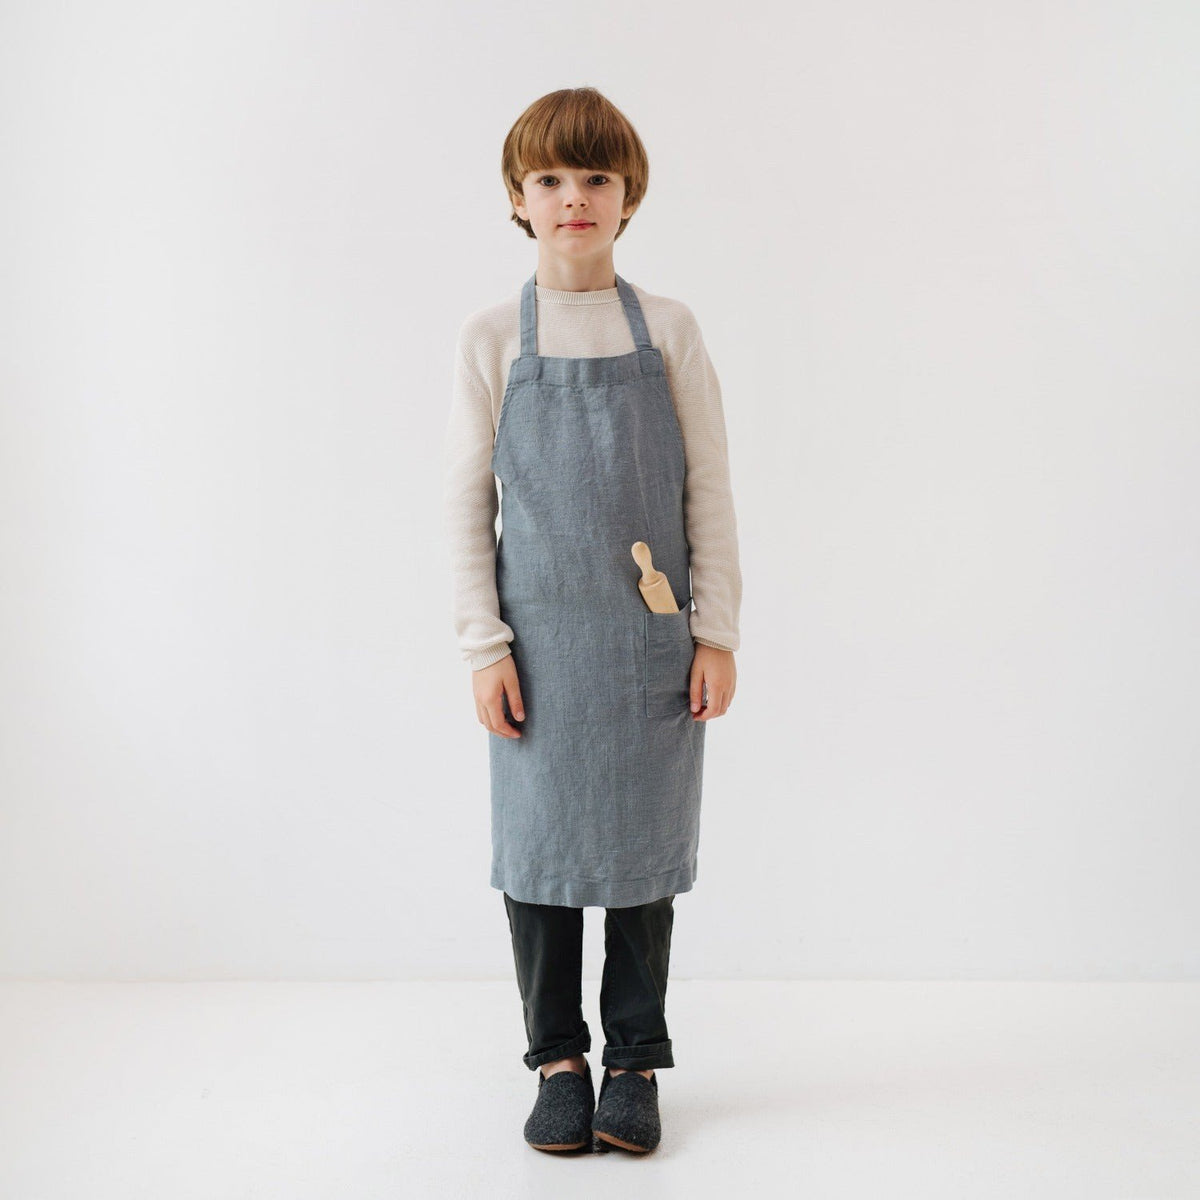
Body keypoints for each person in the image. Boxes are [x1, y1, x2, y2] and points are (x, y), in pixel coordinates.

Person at [442, 86, 742, 1154]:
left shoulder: (669, 330)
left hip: (650, 646)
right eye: (551, 178)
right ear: (518, 199)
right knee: (540, 858)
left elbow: (708, 487)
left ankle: (635, 1062)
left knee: (644, 861)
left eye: (597, 178)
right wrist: (484, 645)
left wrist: (716, 631)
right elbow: (463, 502)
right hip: (538, 651)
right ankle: (557, 1060)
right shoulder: (491, 338)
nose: (575, 197)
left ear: (629, 196)